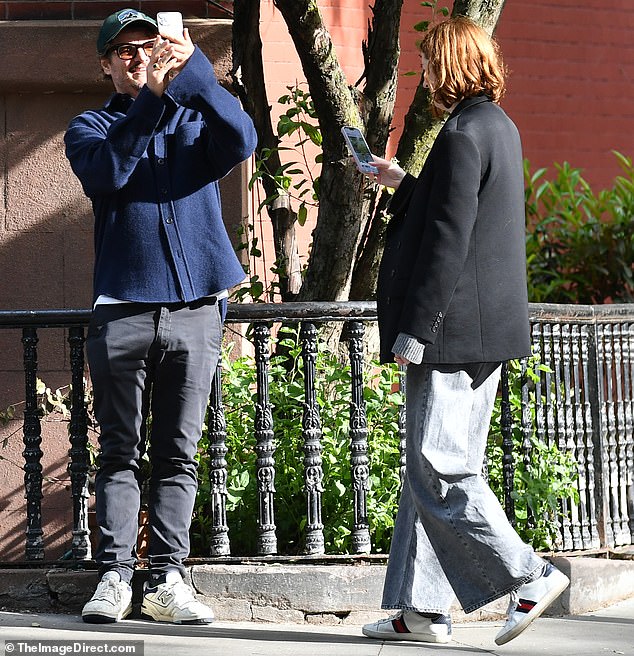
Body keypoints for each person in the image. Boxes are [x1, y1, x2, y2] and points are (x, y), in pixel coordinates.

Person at [360, 16, 569, 646]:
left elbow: (448, 244)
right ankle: (417, 610)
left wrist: (412, 331)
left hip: (450, 332)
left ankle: (528, 574)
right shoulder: (497, 128)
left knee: (438, 468)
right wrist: (402, 182)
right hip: (489, 332)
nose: (423, 75)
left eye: (428, 63)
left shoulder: (458, 134)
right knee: (434, 470)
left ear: (449, 65)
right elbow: (460, 211)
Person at [65, 8, 257, 624]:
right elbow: (110, 171)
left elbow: (243, 139)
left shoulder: (191, 114)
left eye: (146, 46)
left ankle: (170, 578)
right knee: (119, 451)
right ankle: (116, 576)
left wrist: (192, 68)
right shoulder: (89, 126)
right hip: (122, 308)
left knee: (179, 451)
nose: (136, 56)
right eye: (122, 50)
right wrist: (150, 95)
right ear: (105, 64)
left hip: (197, 307)